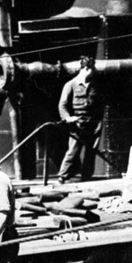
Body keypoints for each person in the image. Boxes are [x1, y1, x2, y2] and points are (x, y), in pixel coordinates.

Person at [56, 56, 103, 184]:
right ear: (87, 69)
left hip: (93, 123)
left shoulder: (95, 85)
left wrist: (99, 122)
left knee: (91, 151)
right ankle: (62, 177)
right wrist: (67, 118)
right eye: (93, 69)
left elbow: (100, 103)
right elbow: (62, 105)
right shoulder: (70, 85)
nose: (94, 72)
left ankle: (86, 177)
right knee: (73, 151)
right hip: (77, 123)